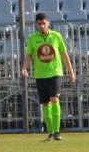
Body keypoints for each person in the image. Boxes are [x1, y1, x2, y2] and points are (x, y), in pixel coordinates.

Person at [20, 12, 76, 141]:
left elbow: (64, 54)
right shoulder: (33, 38)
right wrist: (24, 68)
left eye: (43, 23)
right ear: (36, 24)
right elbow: (29, 55)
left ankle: (57, 131)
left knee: (55, 98)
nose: (41, 26)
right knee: (45, 103)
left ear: (48, 23)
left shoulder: (56, 36)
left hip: (55, 72)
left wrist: (71, 71)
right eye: (39, 24)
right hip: (40, 75)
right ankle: (50, 131)